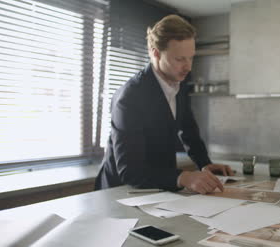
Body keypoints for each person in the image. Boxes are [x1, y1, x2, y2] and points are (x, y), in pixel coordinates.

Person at [95, 15, 233, 194]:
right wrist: (183, 177)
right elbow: (130, 171)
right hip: (120, 193)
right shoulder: (129, 98)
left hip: (161, 188)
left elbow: (188, 129)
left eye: (191, 58)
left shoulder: (179, 82)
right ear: (155, 53)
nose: (188, 66)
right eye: (179, 59)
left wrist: (205, 164)